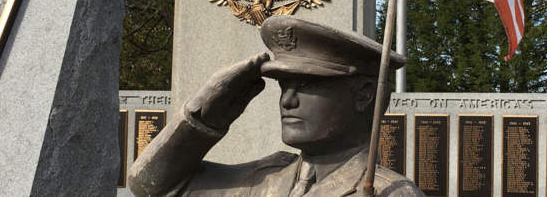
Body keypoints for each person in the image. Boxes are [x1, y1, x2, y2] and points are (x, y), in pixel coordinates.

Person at [128, 15, 425, 196]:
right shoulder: (264, 179)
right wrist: (207, 112)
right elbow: (151, 186)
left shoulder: (391, 192)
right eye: (284, 86)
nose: (288, 100)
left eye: (307, 86)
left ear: (363, 95)